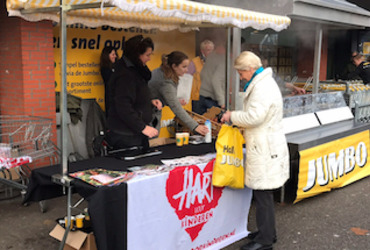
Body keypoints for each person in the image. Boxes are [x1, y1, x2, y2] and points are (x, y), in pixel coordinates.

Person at [221, 51, 289, 250]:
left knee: (263, 194)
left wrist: (232, 116)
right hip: (265, 144)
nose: (240, 76)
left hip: (264, 146)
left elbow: (254, 117)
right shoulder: (263, 83)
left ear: (250, 69)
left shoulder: (262, 87)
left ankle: (265, 241)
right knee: (262, 193)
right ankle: (267, 232)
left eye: (241, 73)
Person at [106, 35, 162, 153]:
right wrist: (142, 127)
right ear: (136, 55)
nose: (149, 59)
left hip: (134, 133)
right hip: (126, 135)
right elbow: (123, 106)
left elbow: (135, 96)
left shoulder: (135, 70)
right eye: (147, 55)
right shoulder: (125, 74)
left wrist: (149, 101)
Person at [148, 51, 209, 136]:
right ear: (174, 66)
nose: (186, 70)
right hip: (148, 116)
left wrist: (174, 100)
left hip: (148, 113)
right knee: (151, 143)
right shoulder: (166, 82)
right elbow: (176, 107)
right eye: (184, 67)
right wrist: (195, 126)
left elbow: (163, 96)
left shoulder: (162, 71)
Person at [197, 44, 226, 115]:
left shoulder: (211, 56)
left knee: (202, 123)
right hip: (211, 100)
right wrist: (222, 102)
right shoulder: (224, 60)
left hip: (202, 96)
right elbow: (216, 81)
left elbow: (202, 74)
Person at [187, 40, 215, 113]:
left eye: (212, 50)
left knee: (214, 120)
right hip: (198, 98)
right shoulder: (194, 62)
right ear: (202, 51)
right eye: (208, 50)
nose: (211, 52)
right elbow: (186, 79)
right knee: (198, 120)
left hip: (212, 97)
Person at [100, 46, 118, 116]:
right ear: (107, 56)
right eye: (113, 54)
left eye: (115, 54)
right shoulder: (105, 69)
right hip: (111, 98)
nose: (115, 56)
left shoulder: (117, 67)